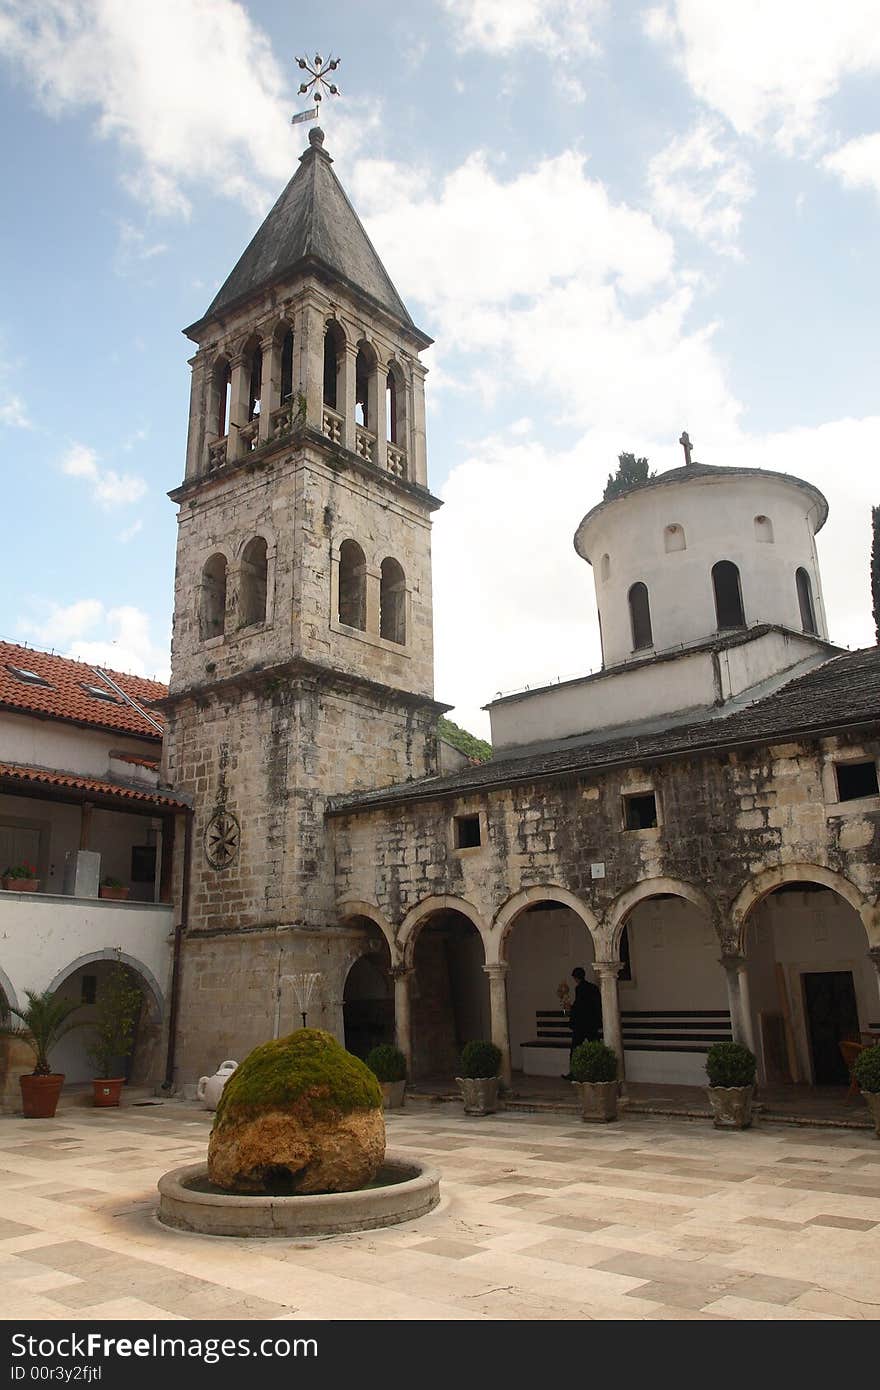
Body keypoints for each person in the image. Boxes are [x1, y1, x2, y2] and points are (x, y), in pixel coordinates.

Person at [562, 966, 602, 1080]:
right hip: (592, 1024)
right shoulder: (593, 988)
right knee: (596, 1047)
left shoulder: (580, 989)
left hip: (581, 1025)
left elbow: (580, 1007)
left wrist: (569, 1008)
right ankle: (600, 1071)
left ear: (576, 978)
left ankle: (573, 1072)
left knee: (575, 1048)